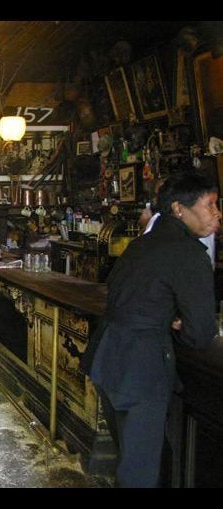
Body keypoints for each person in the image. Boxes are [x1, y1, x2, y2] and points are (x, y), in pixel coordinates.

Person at [80, 172, 220, 487]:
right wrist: (176, 322)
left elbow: (119, 291)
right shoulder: (189, 254)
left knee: (129, 457)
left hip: (108, 357)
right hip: (142, 367)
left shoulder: (141, 244)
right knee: (140, 470)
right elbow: (200, 333)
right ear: (178, 209)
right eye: (210, 204)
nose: (216, 213)